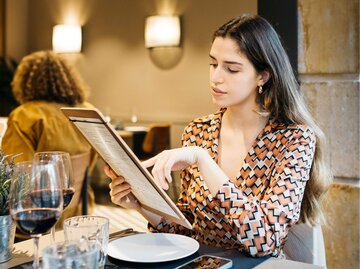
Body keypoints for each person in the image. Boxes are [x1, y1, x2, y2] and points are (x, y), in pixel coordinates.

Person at [105, 14, 331, 258]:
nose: (216, 77)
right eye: (213, 64)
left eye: (231, 69)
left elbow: (265, 240)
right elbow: (186, 231)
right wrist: (142, 206)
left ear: (262, 76)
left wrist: (203, 160)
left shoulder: (294, 140)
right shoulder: (198, 131)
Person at [1, 50, 96, 227]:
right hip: (77, 210)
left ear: (26, 81)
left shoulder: (26, 115)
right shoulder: (86, 112)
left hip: (37, 214)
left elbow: (16, 176)